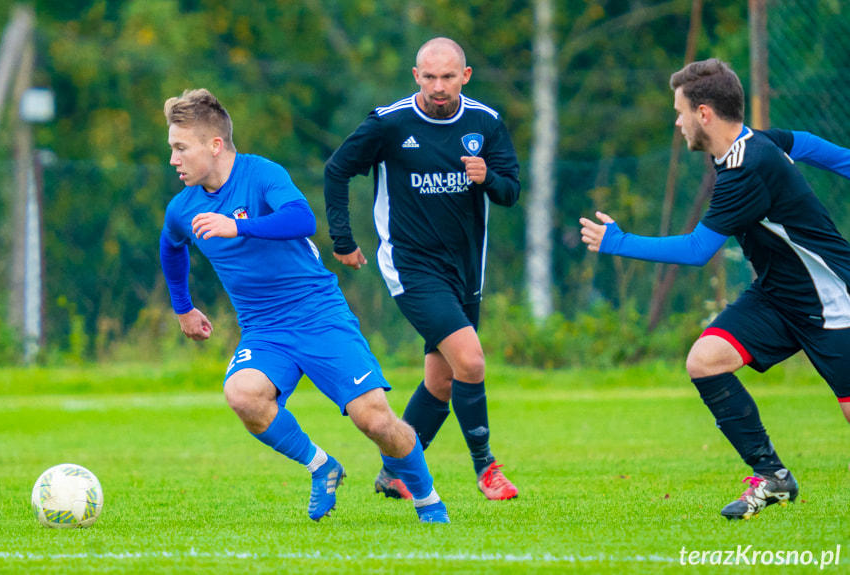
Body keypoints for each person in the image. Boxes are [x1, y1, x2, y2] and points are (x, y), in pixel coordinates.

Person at [159, 88, 449, 523]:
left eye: (181, 148)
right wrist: (183, 306)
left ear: (214, 145)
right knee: (242, 394)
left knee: (373, 419)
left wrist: (238, 226)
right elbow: (171, 247)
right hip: (264, 329)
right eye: (172, 149)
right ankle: (323, 467)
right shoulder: (183, 207)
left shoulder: (261, 175)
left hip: (318, 314)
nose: (173, 159)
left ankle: (428, 500)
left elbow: (302, 219)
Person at [580, 58, 850, 520]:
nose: (676, 120)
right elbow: (803, 144)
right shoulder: (751, 145)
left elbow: (696, 250)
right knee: (706, 361)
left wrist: (617, 242)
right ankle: (772, 477)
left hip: (831, 302)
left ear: (704, 114)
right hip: (777, 296)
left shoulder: (748, 166)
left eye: (680, 110)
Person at [324, 37, 521, 501]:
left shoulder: (485, 123)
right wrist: (343, 240)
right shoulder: (388, 124)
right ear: (416, 76)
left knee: (443, 379)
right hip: (411, 266)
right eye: (429, 76)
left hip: (466, 270)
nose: (438, 86)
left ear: (465, 77)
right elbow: (337, 169)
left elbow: (511, 190)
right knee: (470, 360)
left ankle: (395, 472)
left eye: (448, 77)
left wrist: (487, 178)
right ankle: (486, 468)